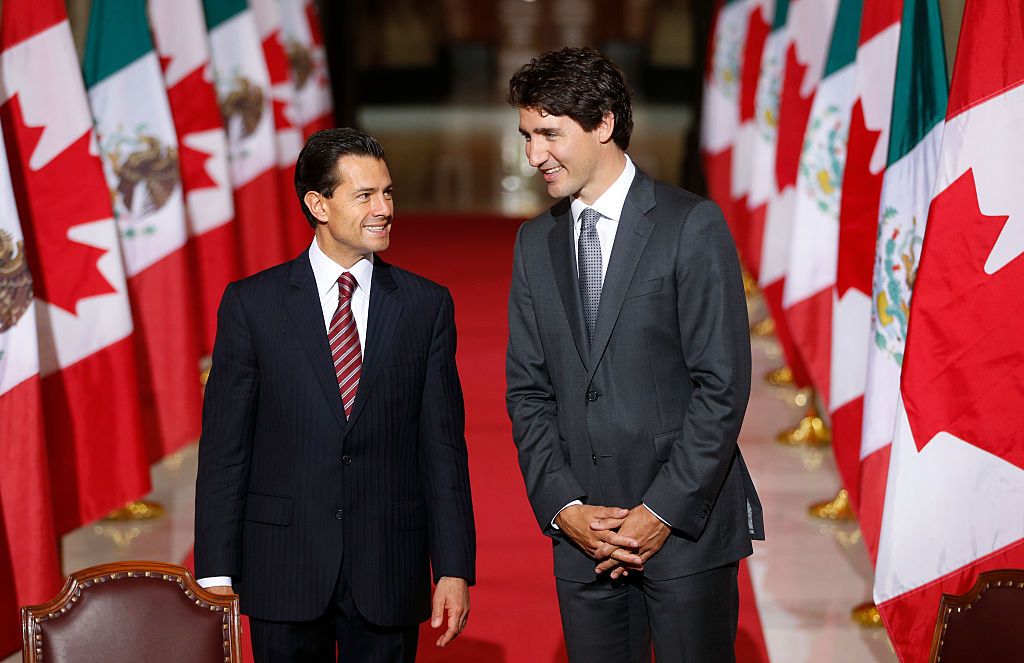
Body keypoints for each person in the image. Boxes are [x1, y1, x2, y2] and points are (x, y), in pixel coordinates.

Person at [505, 47, 764, 663]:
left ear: (602, 124)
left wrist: (659, 511)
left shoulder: (690, 225)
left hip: (684, 536)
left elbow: (721, 388)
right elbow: (527, 391)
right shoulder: (534, 242)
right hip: (582, 539)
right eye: (526, 135)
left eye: (548, 134)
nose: (532, 155)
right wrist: (565, 507)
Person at [194, 128, 476, 663]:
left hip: (389, 567)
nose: (384, 209)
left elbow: (443, 450)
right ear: (317, 204)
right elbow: (226, 450)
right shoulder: (252, 306)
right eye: (364, 195)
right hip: (283, 566)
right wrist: (215, 567)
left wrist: (455, 568)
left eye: (388, 192)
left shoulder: (425, 306)